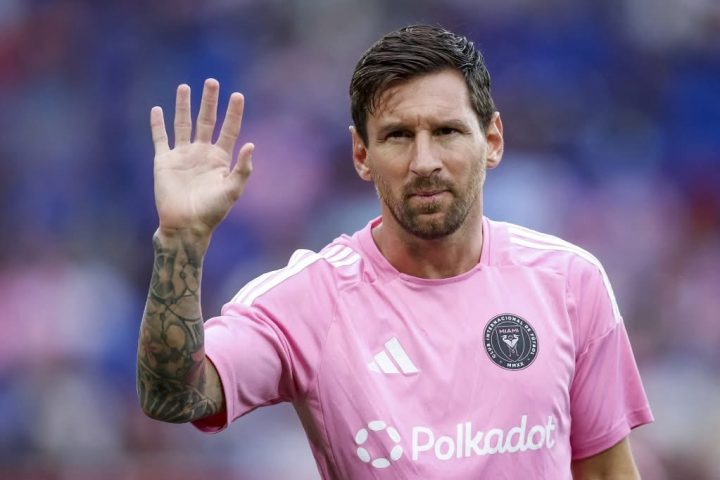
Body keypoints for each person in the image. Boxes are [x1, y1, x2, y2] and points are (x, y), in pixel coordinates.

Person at [137, 24, 653, 479]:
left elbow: (607, 472)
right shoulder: (308, 301)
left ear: (492, 140)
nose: (424, 161)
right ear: (362, 154)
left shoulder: (570, 281)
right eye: (399, 136)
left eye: (447, 131)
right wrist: (180, 244)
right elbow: (171, 396)